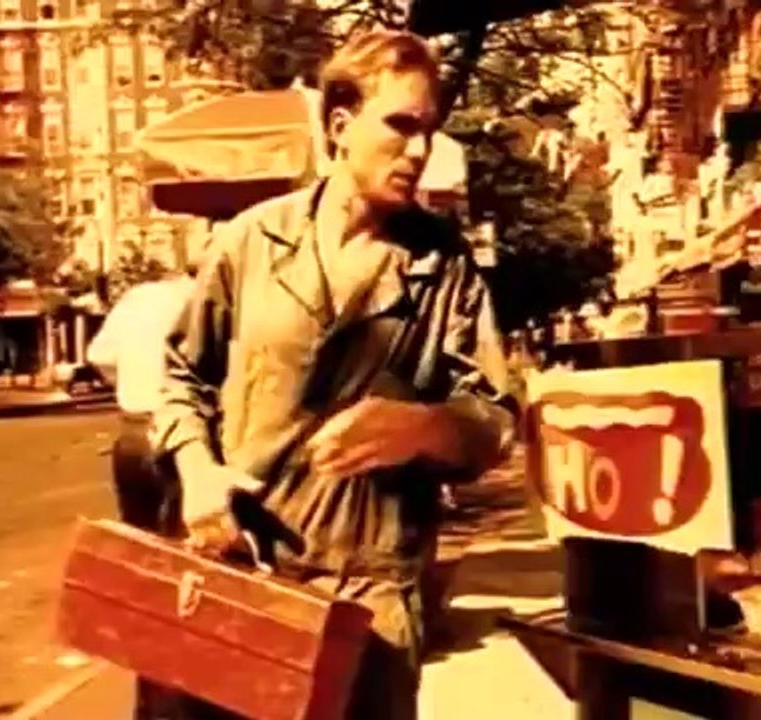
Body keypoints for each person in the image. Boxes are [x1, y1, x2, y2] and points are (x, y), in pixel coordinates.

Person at [150, 30, 517, 720]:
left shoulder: (442, 264)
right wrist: (197, 471)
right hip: (247, 575)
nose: (419, 150)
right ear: (342, 126)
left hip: (370, 597)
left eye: (429, 130)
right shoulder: (252, 241)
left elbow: (495, 418)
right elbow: (180, 376)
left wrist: (427, 428)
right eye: (401, 125)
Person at [87, 268, 197, 534]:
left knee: (138, 535)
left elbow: (98, 355)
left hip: (132, 432)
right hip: (182, 436)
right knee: (183, 537)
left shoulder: (137, 297)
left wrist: (130, 381)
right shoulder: (204, 300)